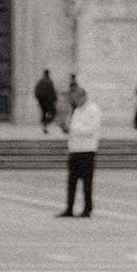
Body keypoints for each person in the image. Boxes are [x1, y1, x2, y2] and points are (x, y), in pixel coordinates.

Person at [57, 82, 101, 217]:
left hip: (87, 150)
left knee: (87, 182)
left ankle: (87, 208)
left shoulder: (93, 110)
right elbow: (74, 127)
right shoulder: (77, 110)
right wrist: (66, 128)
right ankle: (69, 208)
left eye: (76, 98)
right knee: (72, 181)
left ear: (83, 97)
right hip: (75, 150)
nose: (74, 101)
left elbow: (90, 129)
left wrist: (72, 129)